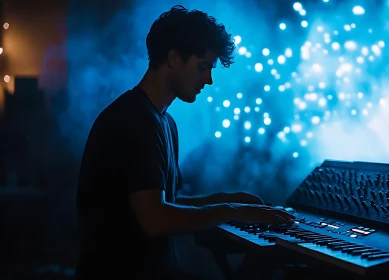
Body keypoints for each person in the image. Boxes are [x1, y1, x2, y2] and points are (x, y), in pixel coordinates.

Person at [75, 5, 295, 280]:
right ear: (173, 57)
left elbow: (168, 202)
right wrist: (231, 210)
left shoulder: (164, 122)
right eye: (203, 67)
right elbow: (155, 220)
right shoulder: (133, 120)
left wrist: (226, 199)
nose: (209, 79)